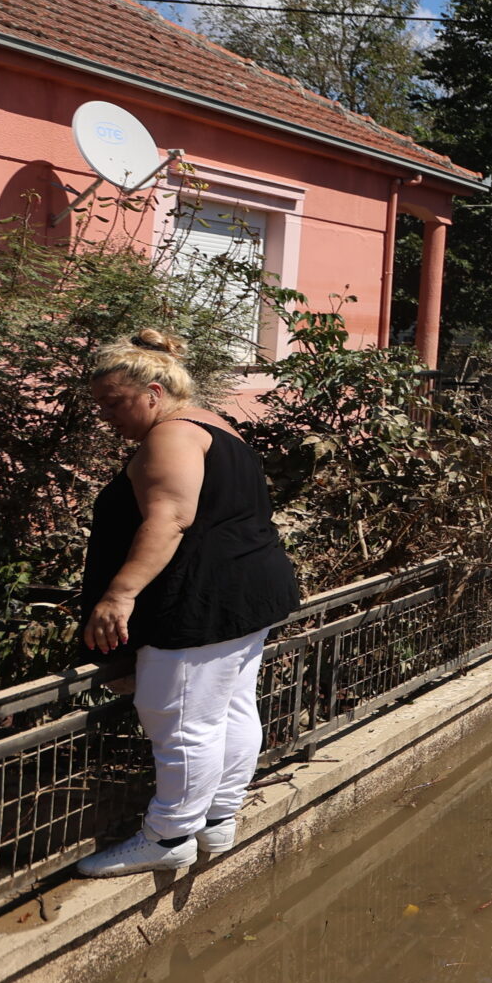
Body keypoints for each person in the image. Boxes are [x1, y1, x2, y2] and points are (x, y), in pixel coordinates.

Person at [76, 330, 301, 878]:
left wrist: (119, 594)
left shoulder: (171, 436)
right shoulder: (214, 423)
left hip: (204, 599)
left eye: (113, 402)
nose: (106, 415)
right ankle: (217, 819)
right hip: (245, 590)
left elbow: (170, 518)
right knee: (228, 708)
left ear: (152, 392)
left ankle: (170, 835)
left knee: (177, 717)